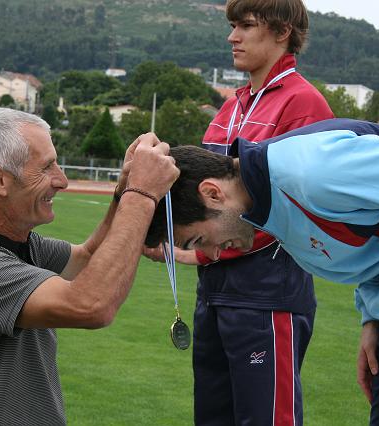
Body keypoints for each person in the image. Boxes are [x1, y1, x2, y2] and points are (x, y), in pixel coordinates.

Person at [145, 118, 379, 425]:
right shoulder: (268, 204)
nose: (210, 253)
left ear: (212, 194)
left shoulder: (312, 171)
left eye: (196, 240)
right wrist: (373, 319)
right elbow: (376, 245)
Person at [0, 107, 179, 425]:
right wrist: (142, 194)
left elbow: (86, 260)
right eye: (46, 167)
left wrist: (124, 187)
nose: (63, 180)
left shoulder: (15, 244)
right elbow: (91, 305)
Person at [144, 1, 333, 424]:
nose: (233, 37)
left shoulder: (303, 103)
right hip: (213, 291)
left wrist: (198, 251)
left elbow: (301, 209)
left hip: (268, 293)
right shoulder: (230, 108)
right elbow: (203, 194)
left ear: (282, 31)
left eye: (246, 26)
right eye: (232, 26)